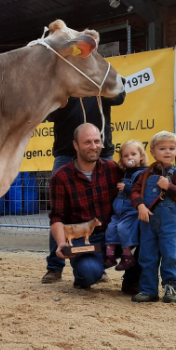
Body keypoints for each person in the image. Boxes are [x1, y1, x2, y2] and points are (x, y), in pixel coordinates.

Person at [41, 92, 126, 284]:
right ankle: (55, 267)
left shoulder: (99, 78)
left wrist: (104, 89)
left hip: (102, 153)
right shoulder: (62, 84)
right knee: (59, 212)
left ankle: (99, 264)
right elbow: (48, 114)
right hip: (65, 152)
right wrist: (59, 102)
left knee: (111, 206)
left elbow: (119, 97)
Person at [49, 123, 139, 291]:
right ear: (75, 145)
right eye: (87, 142)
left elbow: (137, 187)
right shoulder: (60, 177)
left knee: (150, 234)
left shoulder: (113, 169)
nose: (94, 146)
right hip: (84, 242)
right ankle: (87, 270)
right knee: (88, 274)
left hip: (115, 236)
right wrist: (61, 243)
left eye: (97, 141)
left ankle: (132, 279)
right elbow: (56, 217)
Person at [129, 131, 176, 304]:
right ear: (153, 152)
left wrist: (169, 186)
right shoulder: (145, 174)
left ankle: (170, 288)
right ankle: (148, 290)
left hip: (169, 224)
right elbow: (134, 192)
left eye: (172, 148)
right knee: (147, 256)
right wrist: (140, 205)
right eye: (162, 148)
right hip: (147, 222)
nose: (167, 152)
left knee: (170, 256)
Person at [102, 140, 147, 271]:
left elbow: (142, 190)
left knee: (123, 228)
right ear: (121, 159)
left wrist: (127, 187)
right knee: (111, 228)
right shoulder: (125, 172)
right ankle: (110, 255)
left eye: (133, 154)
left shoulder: (143, 173)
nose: (130, 158)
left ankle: (127, 256)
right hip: (118, 210)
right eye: (126, 156)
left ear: (141, 156)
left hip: (130, 209)